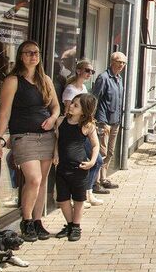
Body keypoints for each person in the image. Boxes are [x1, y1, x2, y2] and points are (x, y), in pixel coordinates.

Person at [0, 40, 60, 242]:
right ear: (21, 56)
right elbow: (4, 113)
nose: (33, 56)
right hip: (23, 136)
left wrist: (52, 119)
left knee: (43, 181)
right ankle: (27, 220)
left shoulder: (45, 80)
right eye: (29, 52)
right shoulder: (13, 80)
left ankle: (38, 222)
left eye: (36, 53)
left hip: (47, 137)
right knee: (34, 179)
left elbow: (56, 107)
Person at [52, 94, 99, 242]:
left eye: (76, 105)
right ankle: (70, 224)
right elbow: (57, 140)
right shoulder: (60, 121)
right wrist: (55, 154)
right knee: (63, 199)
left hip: (79, 169)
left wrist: (92, 162)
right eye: (72, 103)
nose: (71, 106)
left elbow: (95, 145)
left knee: (79, 199)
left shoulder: (87, 126)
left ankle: (76, 226)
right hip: (62, 167)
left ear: (84, 111)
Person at [62, 59, 103, 207]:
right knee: (89, 161)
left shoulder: (84, 89)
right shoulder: (71, 90)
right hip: (76, 130)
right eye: (87, 70)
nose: (89, 74)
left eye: (92, 71)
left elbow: (87, 110)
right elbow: (69, 112)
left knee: (96, 160)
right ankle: (82, 194)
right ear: (78, 70)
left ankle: (88, 192)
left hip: (84, 128)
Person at [92, 52, 126, 193]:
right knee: (101, 152)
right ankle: (94, 183)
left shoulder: (119, 79)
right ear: (112, 61)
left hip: (115, 121)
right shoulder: (103, 78)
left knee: (110, 152)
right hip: (104, 121)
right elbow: (94, 99)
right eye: (119, 62)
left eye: (124, 63)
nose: (121, 65)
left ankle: (103, 179)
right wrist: (96, 120)